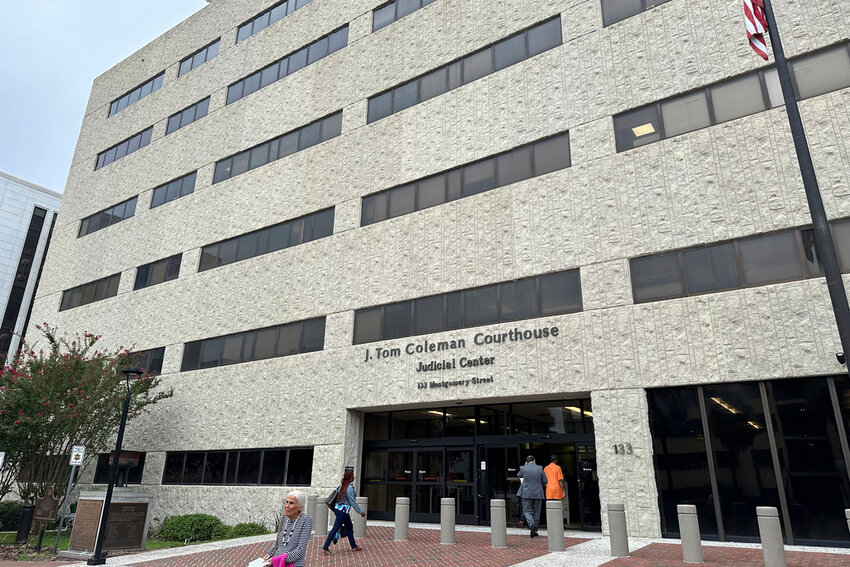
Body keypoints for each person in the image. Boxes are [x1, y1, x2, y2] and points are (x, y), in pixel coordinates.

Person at [260, 490, 313, 567]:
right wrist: (269, 554)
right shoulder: (284, 519)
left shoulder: (306, 520)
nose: (287, 506)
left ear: (300, 507)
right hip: (276, 562)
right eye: (286, 502)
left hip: (294, 564)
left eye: (291, 503)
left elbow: (300, 550)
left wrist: (276, 560)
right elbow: (277, 543)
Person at [322, 466, 365, 555]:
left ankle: (353, 546)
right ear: (350, 478)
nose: (353, 477)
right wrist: (360, 511)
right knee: (335, 529)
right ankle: (325, 547)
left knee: (349, 527)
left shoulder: (342, 485)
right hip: (343, 512)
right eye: (352, 476)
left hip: (339, 509)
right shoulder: (349, 488)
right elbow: (352, 501)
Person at [516, 455, 547, 538]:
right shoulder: (540, 468)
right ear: (534, 461)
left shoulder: (523, 468)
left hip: (526, 493)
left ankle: (531, 524)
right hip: (538, 493)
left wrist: (525, 466)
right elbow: (545, 481)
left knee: (527, 510)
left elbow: (519, 475)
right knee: (537, 511)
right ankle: (535, 529)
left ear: (527, 461)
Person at [544, 454, 568, 525]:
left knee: (550, 508)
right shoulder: (558, 468)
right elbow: (560, 480)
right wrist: (563, 490)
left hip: (549, 489)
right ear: (555, 460)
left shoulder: (546, 468)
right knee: (558, 508)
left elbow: (544, 480)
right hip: (557, 489)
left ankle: (552, 523)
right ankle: (559, 524)